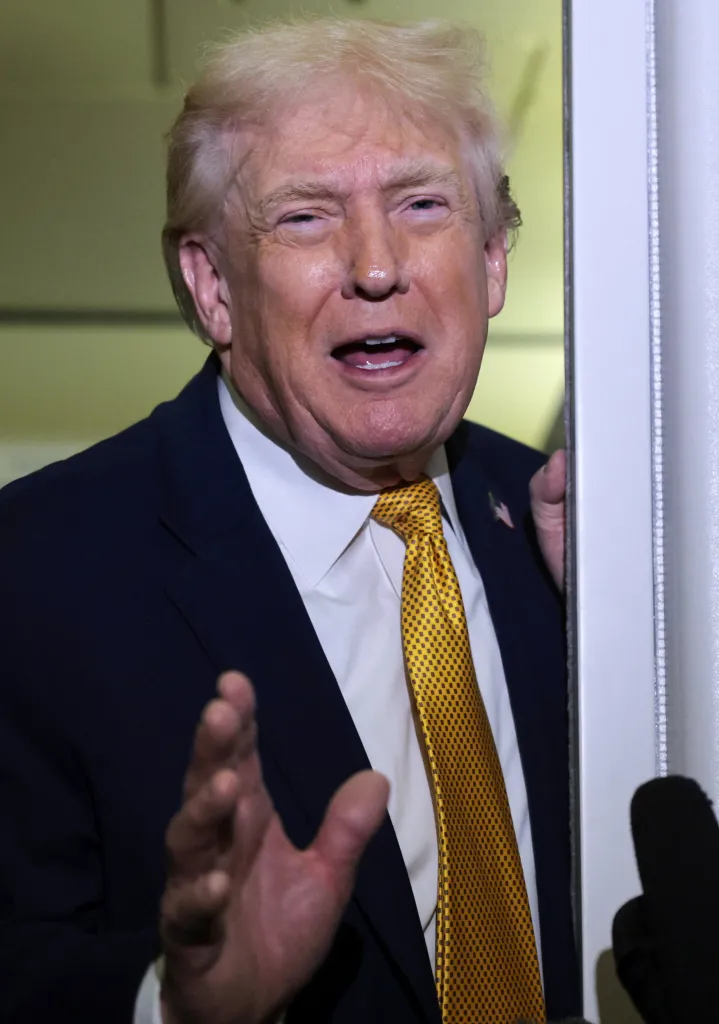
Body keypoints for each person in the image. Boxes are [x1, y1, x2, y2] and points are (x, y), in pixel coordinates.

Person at [0, 17, 575, 1024]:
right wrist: (173, 1004)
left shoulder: (583, 537)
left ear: (490, 261)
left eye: (422, 203)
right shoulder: (36, 573)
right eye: (305, 218)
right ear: (213, 287)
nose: (375, 265)